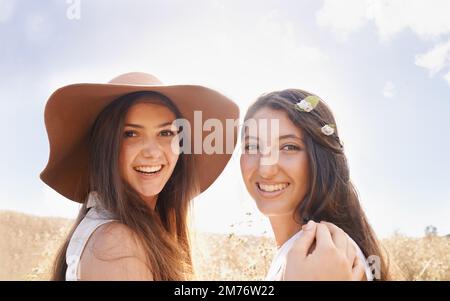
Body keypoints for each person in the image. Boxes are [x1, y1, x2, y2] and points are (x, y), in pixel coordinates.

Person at [40, 72, 239, 280]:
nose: (152, 152)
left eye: (165, 133)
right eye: (131, 134)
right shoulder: (116, 244)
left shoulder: (130, 235)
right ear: (106, 146)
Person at [240, 89, 389, 280]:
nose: (265, 169)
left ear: (320, 158)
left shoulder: (328, 255)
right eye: (252, 146)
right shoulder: (295, 253)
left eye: (289, 147)